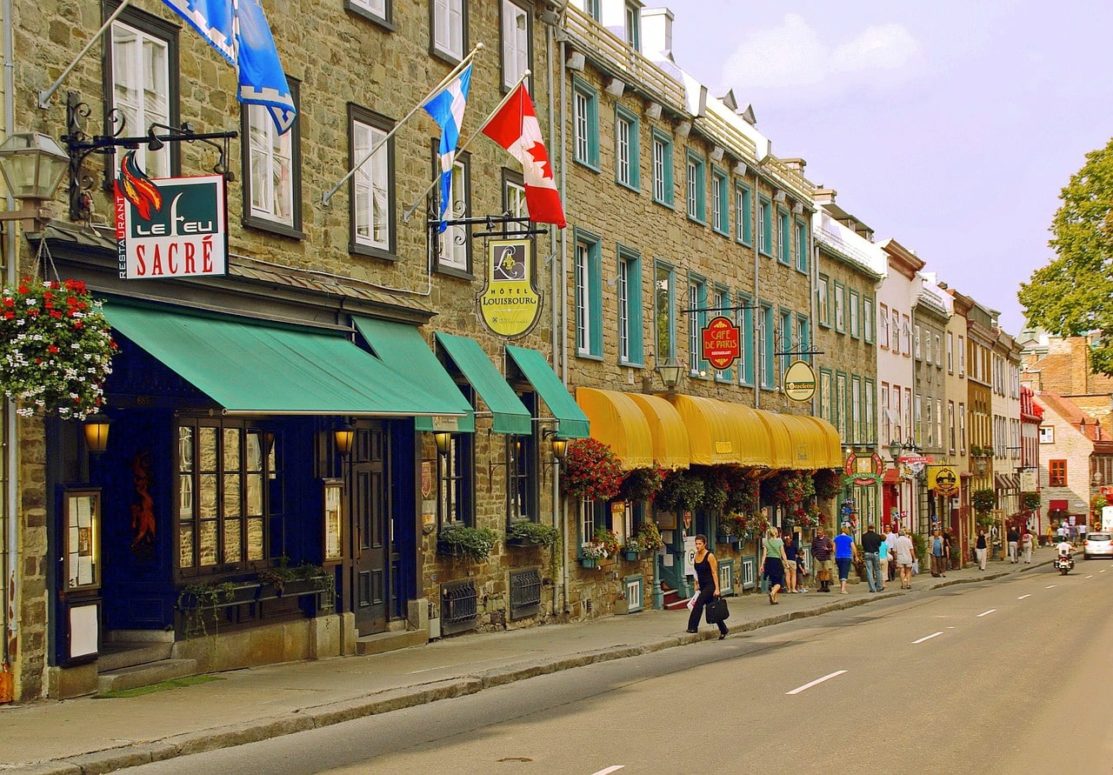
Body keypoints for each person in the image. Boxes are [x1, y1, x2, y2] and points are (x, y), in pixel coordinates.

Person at [686, 535, 729, 639]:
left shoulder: (709, 556)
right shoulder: (696, 555)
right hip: (702, 584)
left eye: (700, 544)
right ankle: (723, 629)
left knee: (699, 603)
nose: (697, 546)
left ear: (705, 544)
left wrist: (717, 589)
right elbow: (695, 571)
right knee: (713, 608)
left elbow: (714, 572)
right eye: (696, 544)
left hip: (710, 585)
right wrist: (696, 584)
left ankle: (692, 627)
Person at [760, 527, 788, 605]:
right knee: (779, 582)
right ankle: (772, 593)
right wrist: (786, 563)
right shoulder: (779, 542)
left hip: (768, 562)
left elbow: (764, 555)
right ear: (776, 533)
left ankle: (774, 599)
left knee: (773, 582)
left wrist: (762, 565)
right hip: (777, 562)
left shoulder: (766, 542)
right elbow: (783, 554)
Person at [833, 524, 858, 594]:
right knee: (845, 572)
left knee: (840, 571)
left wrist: (836, 554)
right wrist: (856, 556)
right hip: (846, 557)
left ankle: (842, 587)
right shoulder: (849, 538)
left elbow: (833, 548)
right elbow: (853, 548)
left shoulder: (836, 538)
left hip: (838, 557)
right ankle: (843, 589)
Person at [859, 524, 883, 593]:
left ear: (867, 528)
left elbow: (863, 544)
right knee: (877, 570)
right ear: (874, 528)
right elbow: (879, 544)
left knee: (869, 571)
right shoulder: (877, 536)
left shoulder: (864, 536)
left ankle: (872, 588)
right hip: (875, 553)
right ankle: (879, 586)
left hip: (867, 553)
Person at [811, 526, 835, 593]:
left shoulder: (827, 539)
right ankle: (822, 586)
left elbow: (832, 548)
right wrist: (814, 555)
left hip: (826, 557)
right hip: (818, 558)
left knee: (826, 572)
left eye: (819, 533)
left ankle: (826, 586)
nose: (818, 534)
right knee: (820, 572)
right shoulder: (815, 540)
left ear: (823, 532)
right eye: (817, 533)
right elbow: (812, 548)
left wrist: (828, 549)